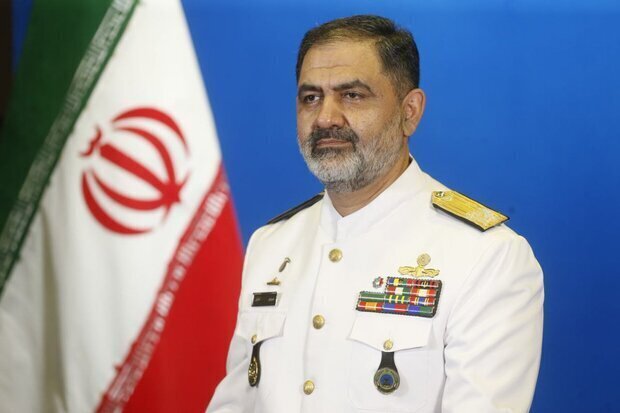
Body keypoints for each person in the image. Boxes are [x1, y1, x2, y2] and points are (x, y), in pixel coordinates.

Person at [207, 15, 543, 413]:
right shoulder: (271, 244)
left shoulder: (488, 257)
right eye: (311, 98)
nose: (326, 117)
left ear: (410, 112)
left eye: (352, 95)